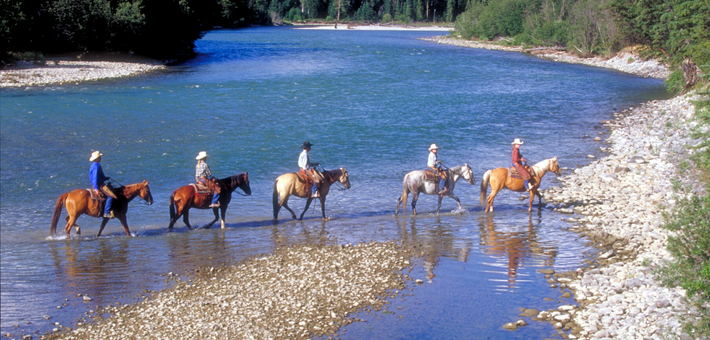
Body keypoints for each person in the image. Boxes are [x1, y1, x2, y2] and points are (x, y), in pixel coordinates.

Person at [89, 151, 116, 218]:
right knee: (111, 195)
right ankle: (106, 212)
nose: (101, 158)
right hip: (99, 184)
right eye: (100, 157)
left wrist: (105, 178)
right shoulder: (96, 167)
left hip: (99, 182)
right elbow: (95, 179)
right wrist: (96, 189)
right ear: (97, 158)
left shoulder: (94, 165)